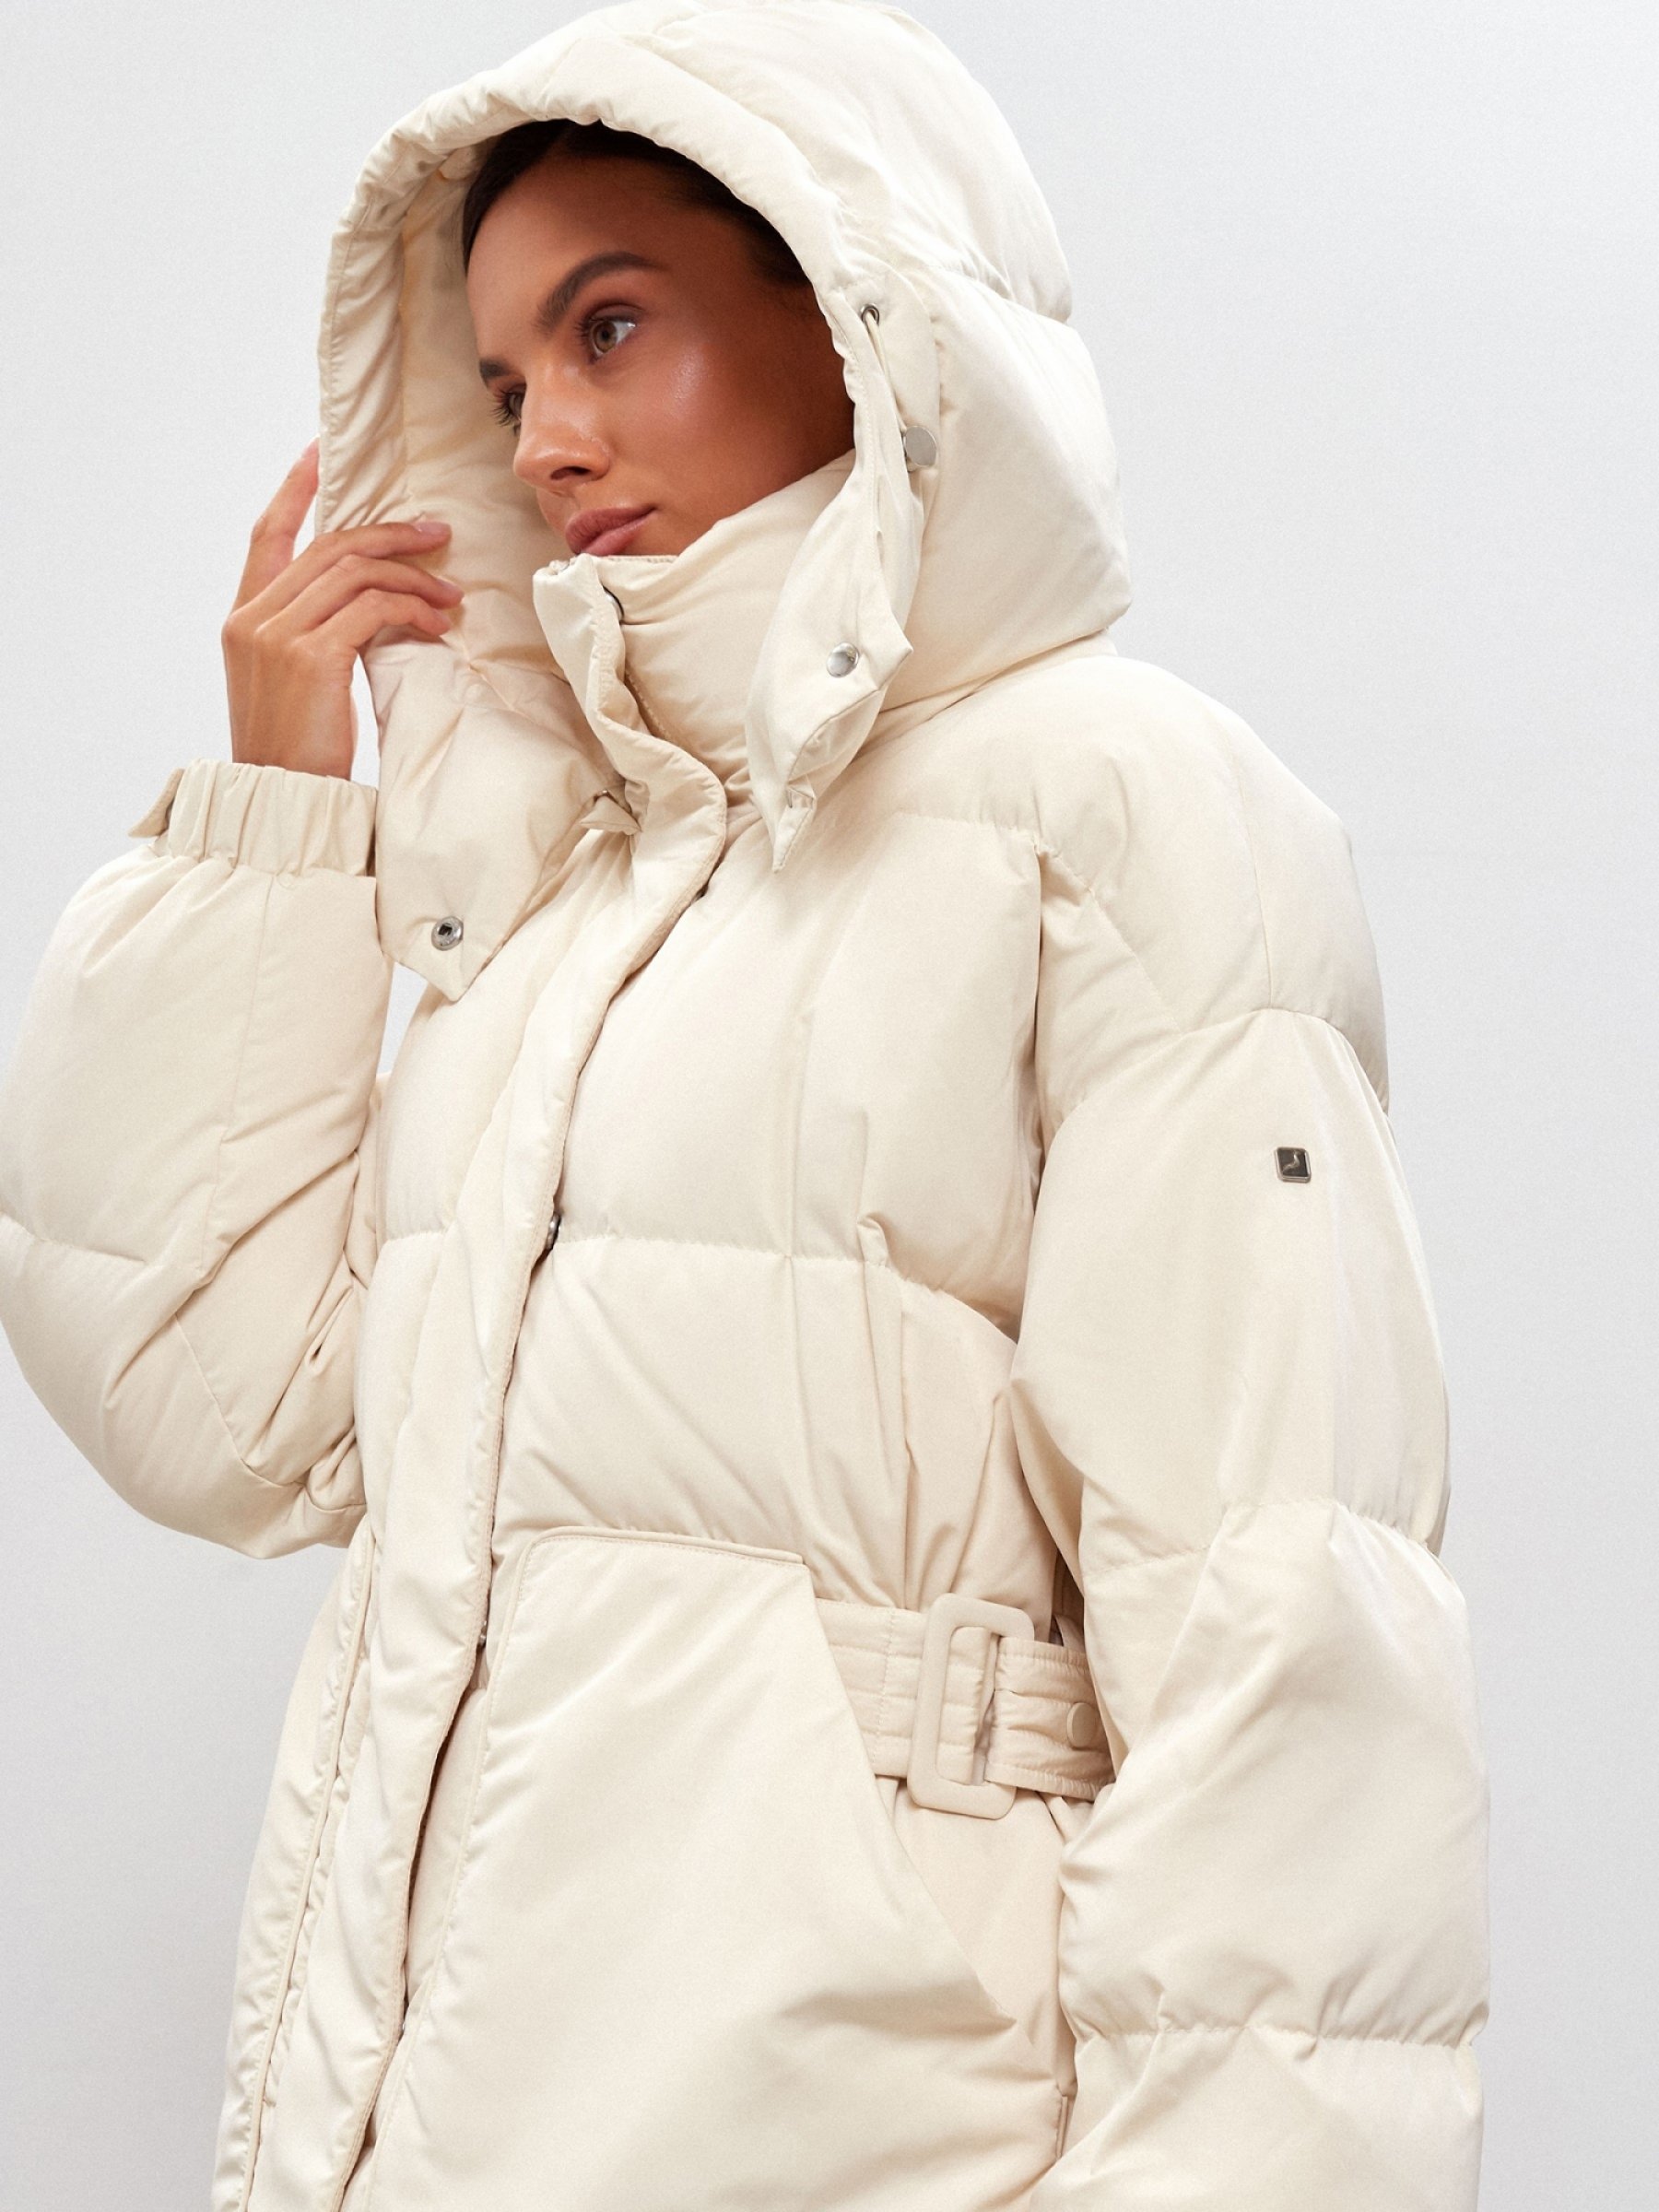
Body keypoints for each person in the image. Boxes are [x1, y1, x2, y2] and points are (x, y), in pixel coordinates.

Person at [0, 3, 1488, 2207]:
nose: (546, 440)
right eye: (505, 382)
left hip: (882, 2141)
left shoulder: (1123, 811)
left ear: (860, 313)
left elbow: (1282, 1617)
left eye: (612, 326)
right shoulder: (573, 899)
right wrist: (277, 824)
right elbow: (220, 1415)